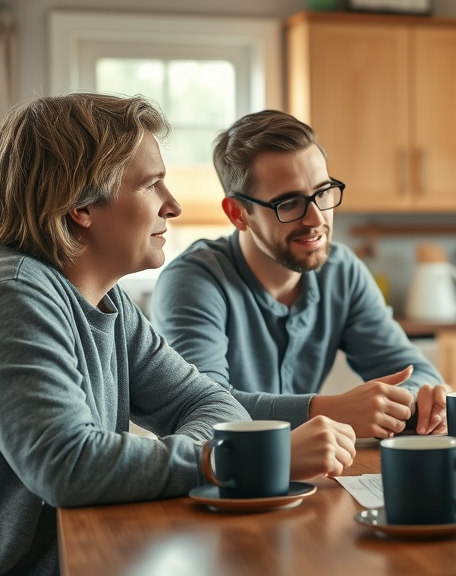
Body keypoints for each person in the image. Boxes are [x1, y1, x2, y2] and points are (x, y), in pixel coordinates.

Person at [0, 94, 357, 576]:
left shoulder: (110, 302)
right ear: (81, 206)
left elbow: (212, 404)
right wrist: (249, 458)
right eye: (152, 185)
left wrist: (209, 455)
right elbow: (69, 466)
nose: (173, 205)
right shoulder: (17, 295)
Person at [151, 110, 448, 439]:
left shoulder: (342, 271)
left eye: (323, 193)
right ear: (238, 214)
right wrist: (326, 410)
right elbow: (203, 408)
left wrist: (421, 398)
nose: (316, 219)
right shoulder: (194, 281)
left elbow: (414, 371)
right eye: (289, 203)